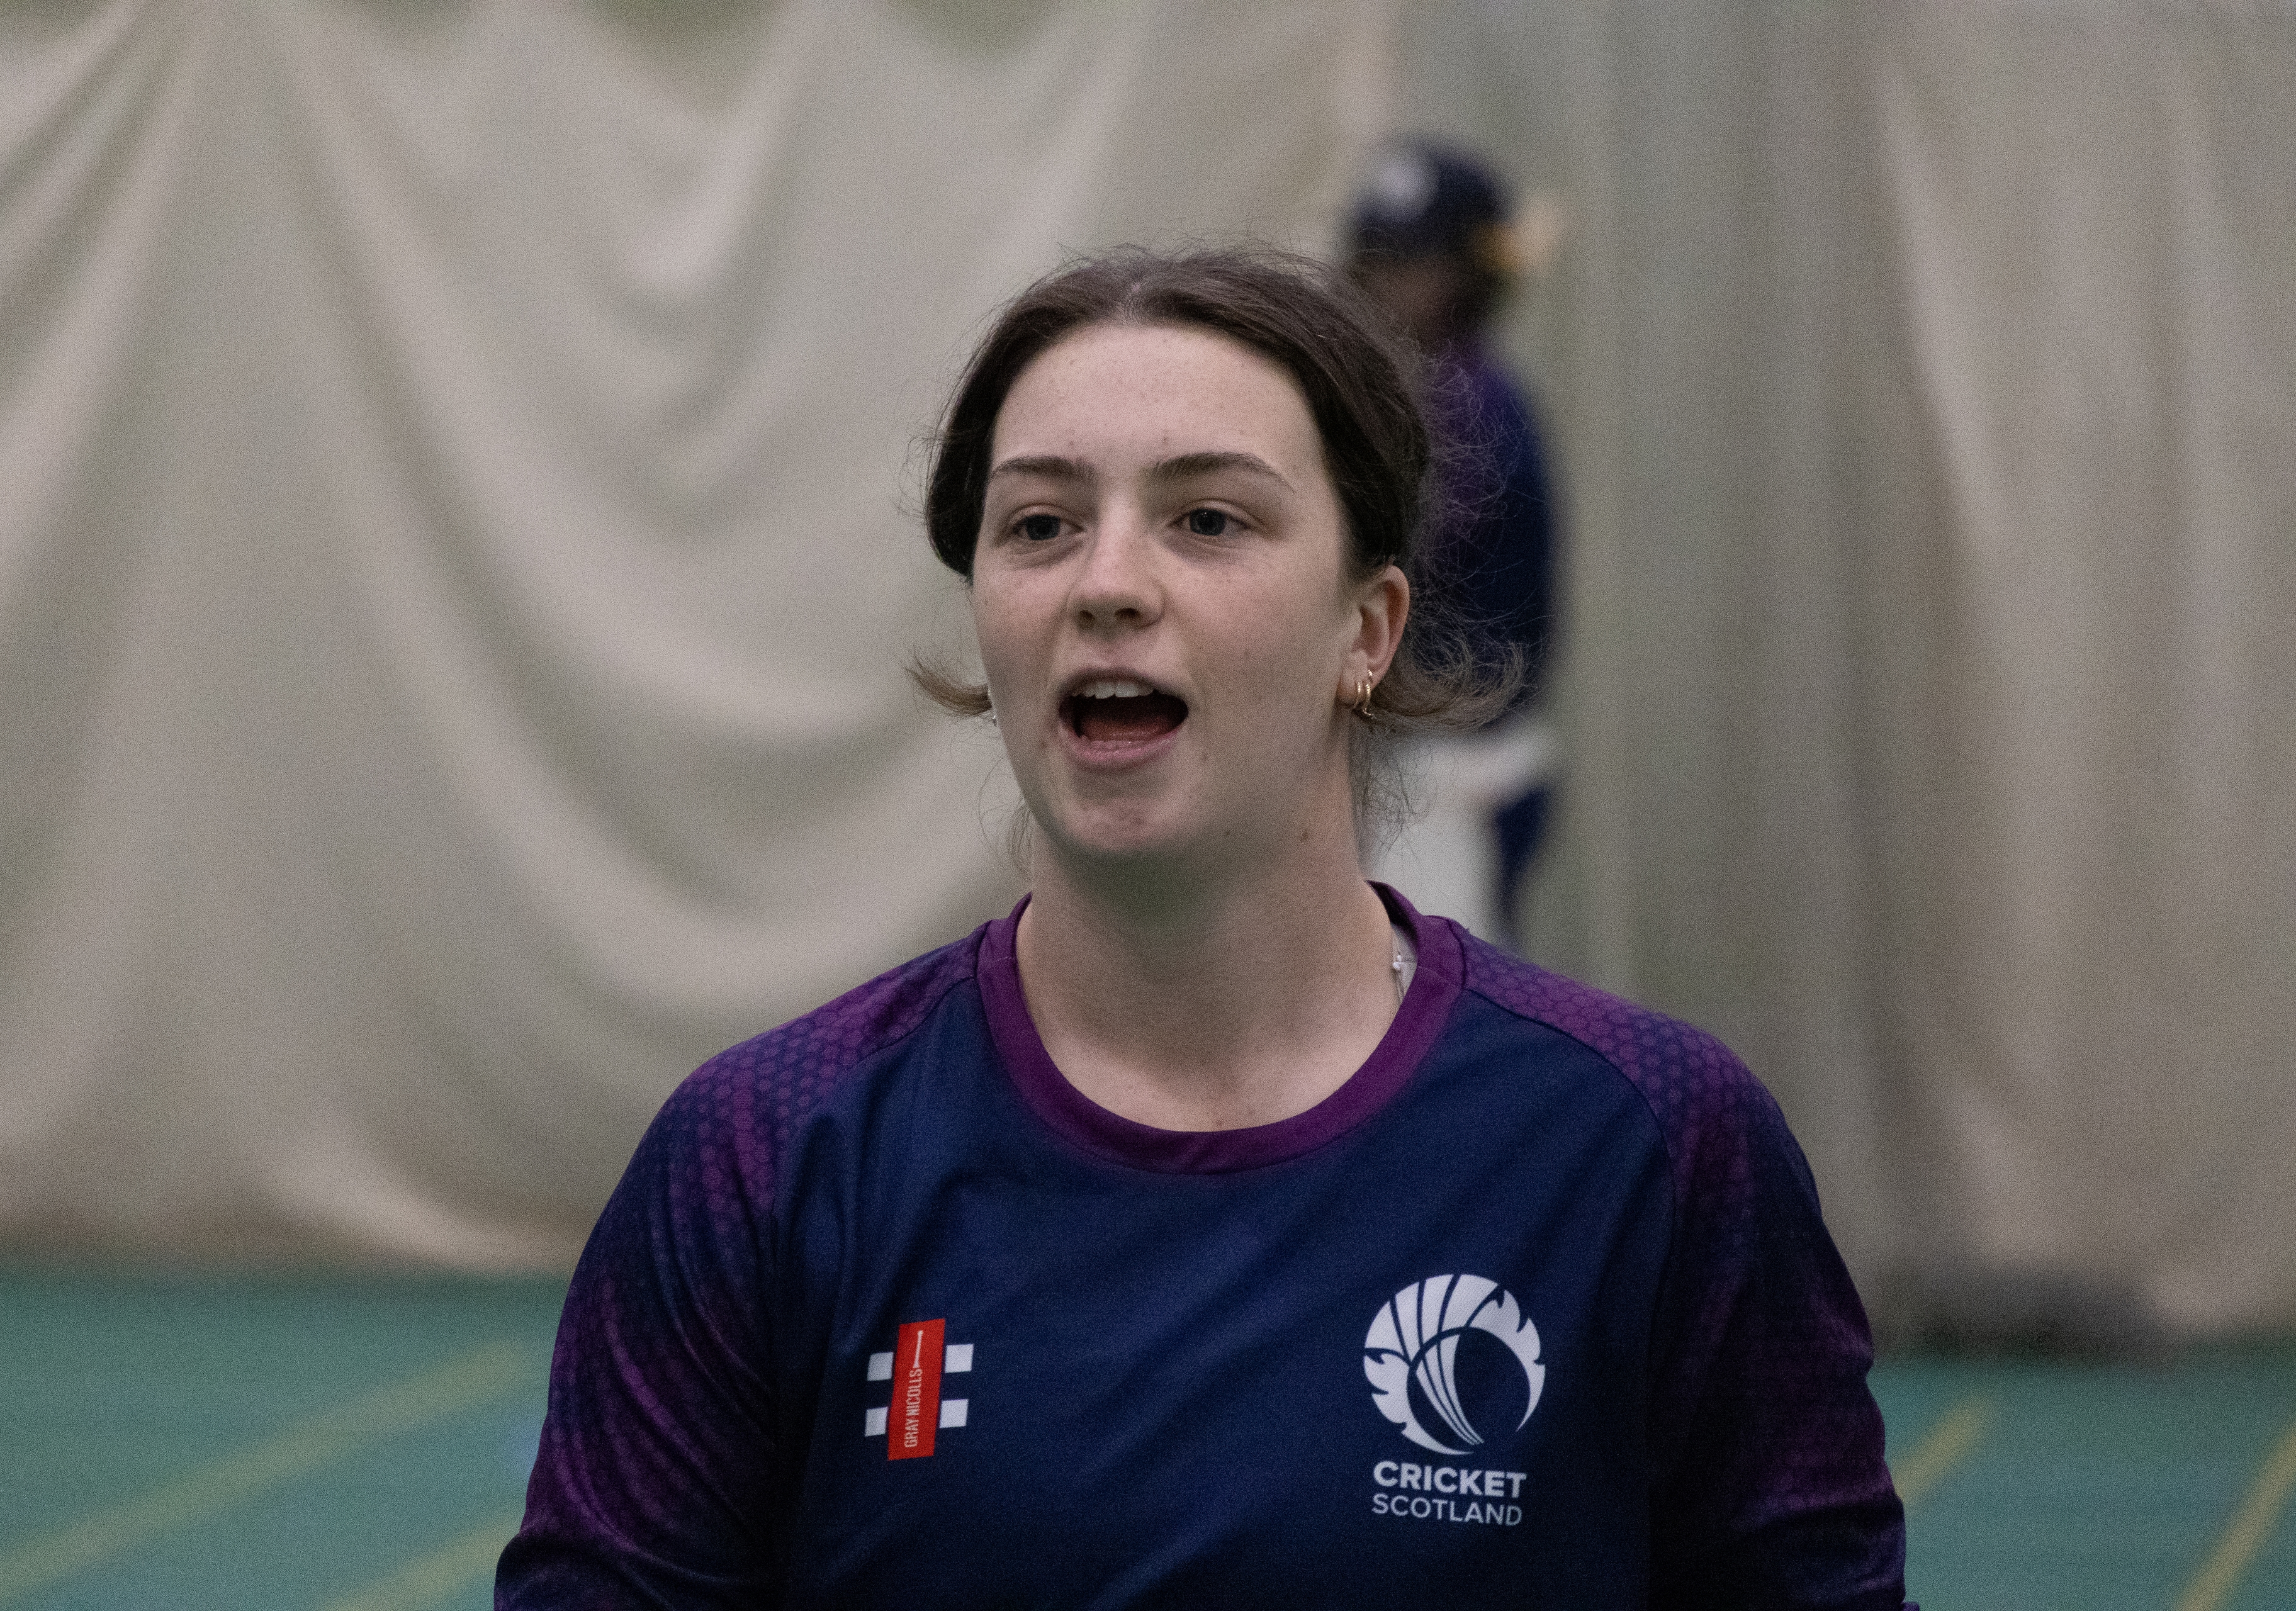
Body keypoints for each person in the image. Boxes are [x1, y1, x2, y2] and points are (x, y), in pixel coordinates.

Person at [497, 248, 1909, 1609]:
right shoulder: (764, 1157)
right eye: (1041, 523)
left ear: (1368, 629)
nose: (1108, 582)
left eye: (1209, 519)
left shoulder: (1656, 1144)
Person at [1346, 140, 1560, 941]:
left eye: (1418, 267)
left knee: (1429, 1027)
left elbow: (1400, 560)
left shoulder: (1464, 407)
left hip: (1445, 776)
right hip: (1416, 770)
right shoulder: (1416, 395)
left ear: (1476, 277)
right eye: (1377, 264)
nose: (1390, 290)